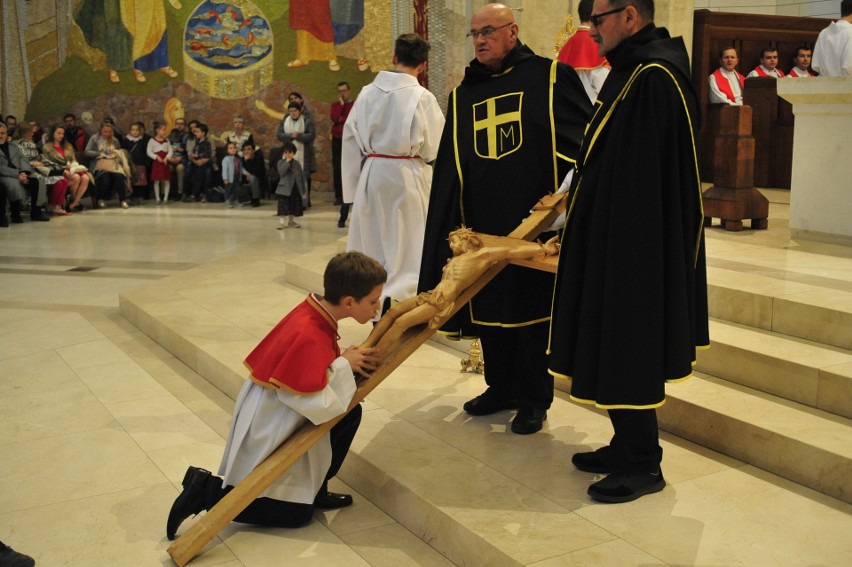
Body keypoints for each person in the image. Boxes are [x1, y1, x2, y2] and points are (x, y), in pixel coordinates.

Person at [548, 0, 709, 503]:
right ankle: (624, 444)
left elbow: (647, 180)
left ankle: (643, 464)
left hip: (636, 247)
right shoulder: (633, 70)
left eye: (597, 20)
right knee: (612, 341)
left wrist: (615, 242)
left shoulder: (655, 76)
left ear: (630, 17)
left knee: (629, 343)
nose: (590, 31)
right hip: (612, 236)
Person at [419, 3, 590, 435]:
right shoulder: (465, 93)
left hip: (534, 228)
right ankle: (501, 388)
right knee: (489, 306)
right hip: (481, 226)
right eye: (474, 33)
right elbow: (452, 167)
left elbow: (582, 145)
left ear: (513, 32)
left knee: (532, 314)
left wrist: (558, 209)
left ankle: (534, 399)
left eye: (489, 31)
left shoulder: (550, 79)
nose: (479, 39)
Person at [166, 251, 386, 540]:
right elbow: (311, 402)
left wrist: (343, 361)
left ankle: (317, 487)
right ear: (348, 302)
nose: (377, 308)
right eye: (372, 301)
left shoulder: (317, 312)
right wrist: (345, 364)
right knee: (296, 516)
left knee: (350, 413)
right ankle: (205, 492)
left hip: (281, 408)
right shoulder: (310, 330)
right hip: (274, 422)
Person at [343, 33, 445, 315]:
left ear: (393, 58)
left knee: (374, 235)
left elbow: (350, 139)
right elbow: (436, 146)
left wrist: (352, 190)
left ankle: (372, 298)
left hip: (373, 172)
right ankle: (402, 298)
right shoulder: (422, 97)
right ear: (423, 65)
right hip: (408, 173)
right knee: (408, 239)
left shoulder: (366, 93)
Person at [363, 227, 559, 353]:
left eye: (455, 241)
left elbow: (512, 252)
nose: (451, 245)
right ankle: (366, 345)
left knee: (401, 322)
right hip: (432, 295)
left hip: (442, 301)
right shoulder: (455, 260)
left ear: (468, 241)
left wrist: (542, 250)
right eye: (450, 242)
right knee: (392, 311)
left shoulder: (482, 255)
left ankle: (374, 358)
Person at [557, 0, 611, 103]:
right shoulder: (597, 44)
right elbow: (604, 87)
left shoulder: (567, 46)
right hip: (591, 110)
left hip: (569, 109)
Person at [0, 122, 51, 225]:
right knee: (15, 185)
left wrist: (24, 172)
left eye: (2, 133)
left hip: (20, 173)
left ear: (6, 134)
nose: (0, 135)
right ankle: (16, 214)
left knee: (37, 181)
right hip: (5, 175)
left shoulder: (13, 146)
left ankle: (36, 212)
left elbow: (23, 159)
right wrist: (17, 174)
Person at [13, 123, 67, 217]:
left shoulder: (31, 144)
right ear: (25, 132)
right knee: (49, 180)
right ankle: (44, 207)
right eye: (31, 132)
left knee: (62, 179)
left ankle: (56, 206)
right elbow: (21, 160)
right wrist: (34, 164)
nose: (33, 134)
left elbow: (41, 158)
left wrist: (56, 165)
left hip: (39, 169)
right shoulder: (17, 145)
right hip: (29, 171)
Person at [42, 124, 91, 213]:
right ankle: (72, 200)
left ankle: (73, 203)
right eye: (58, 133)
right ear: (53, 133)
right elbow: (47, 163)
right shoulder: (47, 147)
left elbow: (73, 160)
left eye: (63, 134)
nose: (61, 136)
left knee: (86, 178)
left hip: (72, 168)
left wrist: (73, 165)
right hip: (59, 170)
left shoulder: (68, 146)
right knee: (76, 177)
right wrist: (64, 168)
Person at [277, 101, 316, 207]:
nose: (293, 113)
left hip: (303, 154)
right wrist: (290, 136)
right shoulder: (285, 120)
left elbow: (311, 135)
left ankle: (302, 203)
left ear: (299, 111)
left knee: (302, 180)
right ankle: (289, 202)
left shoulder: (306, 121)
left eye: (295, 111)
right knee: (288, 178)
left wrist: (299, 136)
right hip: (288, 154)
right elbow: (279, 135)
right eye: (290, 111)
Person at [84, 122, 131, 209]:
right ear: (101, 130)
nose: (107, 134)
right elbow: (87, 152)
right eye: (105, 131)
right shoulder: (94, 139)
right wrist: (99, 153)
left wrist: (115, 154)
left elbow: (119, 151)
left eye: (109, 132)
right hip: (99, 165)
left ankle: (122, 200)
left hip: (113, 164)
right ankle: (100, 199)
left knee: (119, 176)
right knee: (105, 177)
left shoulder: (115, 140)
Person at [330, 81, 354, 223]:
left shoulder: (354, 105)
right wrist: (341, 106)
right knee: (337, 167)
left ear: (349, 91)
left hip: (350, 139)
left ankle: (349, 194)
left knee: (349, 167)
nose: (342, 93)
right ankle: (339, 195)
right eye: (340, 91)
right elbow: (334, 118)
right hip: (337, 139)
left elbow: (350, 121)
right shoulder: (336, 105)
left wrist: (341, 119)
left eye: (344, 90)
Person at [812, 0, 852, 76]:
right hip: (846, 84)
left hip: (826, 84)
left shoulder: (824, 32)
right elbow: (850, 66)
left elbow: (816, 65)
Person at [275, 141, 306, 229]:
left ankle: (291, 221)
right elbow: (281, 172)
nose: (288, 154)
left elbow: (301, 176)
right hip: (284, 188)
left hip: (295, 187)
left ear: (294, 153)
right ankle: (281, 222)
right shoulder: (281, 162)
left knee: (293, 205)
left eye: (290, 152)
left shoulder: (297, 164)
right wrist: (287, 162)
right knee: (283, 206)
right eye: (286, 152)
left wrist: (303, 189)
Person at [122, 121, 152, 203]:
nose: (134, 132)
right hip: (129, 164)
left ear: (140, 131)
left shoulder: (144, 141)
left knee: (139, 181)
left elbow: (146, 152)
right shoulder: (126, 140)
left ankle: (138, 197)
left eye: (137, 130)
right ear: (130, 131)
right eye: (133, 130)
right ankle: (129, 196)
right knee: (130, 181)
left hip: (140, 164)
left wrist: (146, 163)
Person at [147, 122, 173, 204]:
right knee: (156, 180)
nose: (164, 132)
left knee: (166, 180)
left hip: (165, 162)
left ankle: (165, 198)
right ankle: (157, 198)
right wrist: (156, 157)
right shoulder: (152, 140)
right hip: (157, 163)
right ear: (157, 130)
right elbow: (148, 151)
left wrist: (167, 157)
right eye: (163, 130)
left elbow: (170, 150)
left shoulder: (167, 141)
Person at [186, 123, 213, 203]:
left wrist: (197, 156)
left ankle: (195, 195)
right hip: (197, 162)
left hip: (204, 163)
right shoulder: (197, 142)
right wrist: (193, 156)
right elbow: (194, 152)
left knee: (199, 176)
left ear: (203, 133)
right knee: (195, 176)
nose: (195, 133)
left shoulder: (207, 143)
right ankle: (193, 194)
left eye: (198, 131)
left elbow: (207, 154)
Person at [221, 141, 248, 208]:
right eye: (230, 148)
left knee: (236, 190)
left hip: (237, 177)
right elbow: (224, 170)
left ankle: (234, 200)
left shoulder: (238, 159)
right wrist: (225, 178)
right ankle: (227, 201)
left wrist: (246, 173)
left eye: (234, 148)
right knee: (228, 190)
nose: (233, 149)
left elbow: (241, 168)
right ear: (227, 150)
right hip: (229, 178)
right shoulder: (226, 159)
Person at [240, 142, 265, 207]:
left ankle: (255, 199)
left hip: (258, 179)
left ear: (253, 151)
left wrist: (248, 161)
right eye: (244, 149)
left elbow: (257, 171)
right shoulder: (241, 159)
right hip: (245, 180)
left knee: (253, 178)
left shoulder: (259, 158)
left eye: (249, 149)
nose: (246, 151)